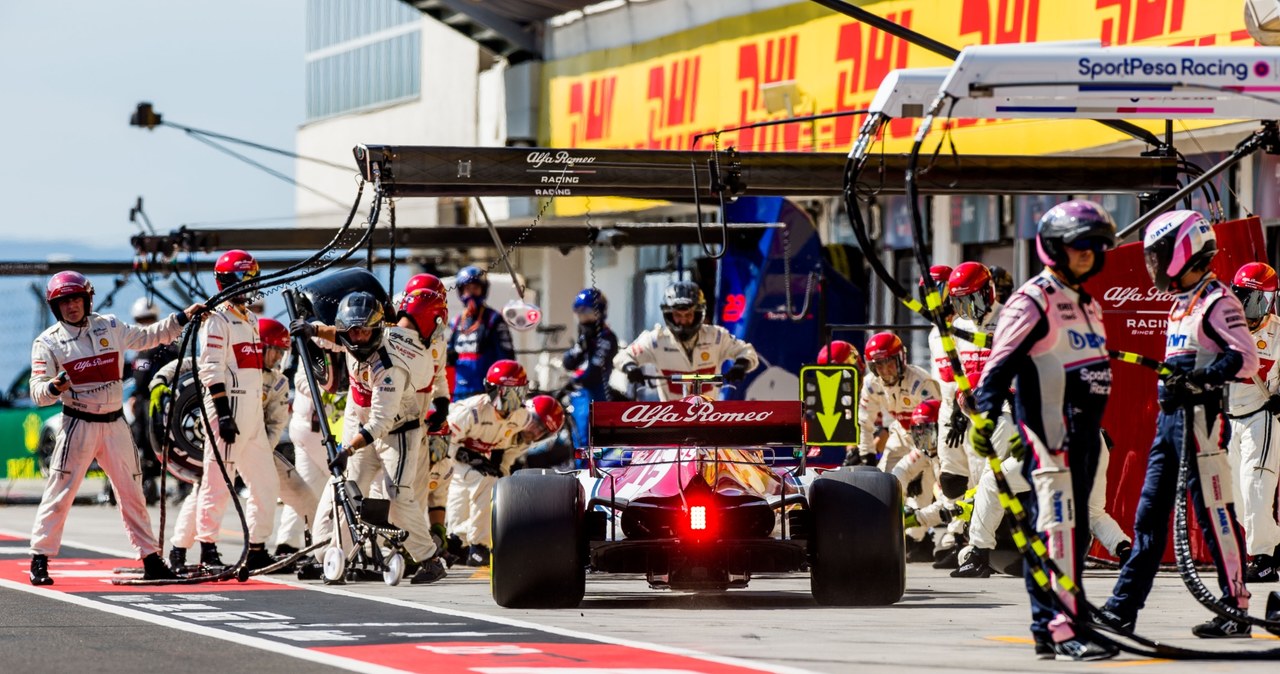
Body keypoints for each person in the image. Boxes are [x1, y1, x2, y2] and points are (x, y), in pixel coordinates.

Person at [971, 200, 1120, 660]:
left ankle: (1053, 625)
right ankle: (1061, 627)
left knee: (1070, 535)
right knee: (1057, 530)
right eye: (1079, 245)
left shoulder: (1087, 302)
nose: (1088, 254)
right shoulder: (1033, 299)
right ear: (1054, 246)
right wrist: (986, 415)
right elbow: (999, 367)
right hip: (1050, 438)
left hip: (1084, 439)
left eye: (1096, 246)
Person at [1102, 210, 1259, 639]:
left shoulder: (1217, 300)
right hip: (1169, 422)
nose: (1153, 265)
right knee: (1148, 517)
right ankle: (1122, 608)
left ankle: (1236, 608)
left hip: (1202, 423)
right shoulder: (1179, 302)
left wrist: (1198, 380)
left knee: (1215, 516)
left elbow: (1245, 359)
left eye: (1158, 255)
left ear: (1184, 252)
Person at [28, 271, 202, 584]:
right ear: (56, 307)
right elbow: (37, 391)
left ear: (87, 299)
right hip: (77, 424)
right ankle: (40, 559)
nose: (72, 306)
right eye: (64, 301)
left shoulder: (109, 325)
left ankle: (150, 558)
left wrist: (181, 317)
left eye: (76, 299)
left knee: (132, 491)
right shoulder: (47, 343)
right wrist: (54, 387)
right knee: (60, 492)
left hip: (115, 423)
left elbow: (149, 336)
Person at [295, 290, 449, 585]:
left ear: (378, 330)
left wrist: (348, 449)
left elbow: (381, 422)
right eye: (354, 330)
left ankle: (430, 558)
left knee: (398, 494)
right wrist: (310, 328)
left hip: (398, 430)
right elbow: (338, 336)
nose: (358, 338)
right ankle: (330, 552)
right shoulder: (352, 338)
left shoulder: (390, 367)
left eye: (365, 332)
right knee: (345, 490)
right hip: (363, 424)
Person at [191, 250, 279, 571]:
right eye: (246, 279)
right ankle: (207, 550)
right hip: (227, 410)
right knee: (217, 482)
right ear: (227, 281)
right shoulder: (216, 319)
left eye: (253, 279)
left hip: (253, 411)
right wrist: (223, 413)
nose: (251, 285)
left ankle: (256, 547)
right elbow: (210, 369)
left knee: (266, 484)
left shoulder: (251, 318)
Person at [954, 429, 1132, 579]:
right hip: (1094, 439)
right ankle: (1124, 550)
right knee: (1093, 512)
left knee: (992, 482)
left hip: (1054, 436)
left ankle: (979, 554)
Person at [445, 359, 533, 567]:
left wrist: (502, 471)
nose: (516, 401)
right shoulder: (470, 411)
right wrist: (468, 457)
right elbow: (444, 443)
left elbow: (506, 448)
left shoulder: (521, 416)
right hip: (454, 464)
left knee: (494, 484)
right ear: (493, 391)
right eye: (510, 394)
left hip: (482, 465)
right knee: (482, 484)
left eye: (520, 393)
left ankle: (472, 543)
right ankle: (472, 544)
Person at [614, 281, 758, 401]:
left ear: (698, 314)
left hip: (710, 416)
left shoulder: (716, 337)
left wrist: (741, 365)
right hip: (671, 419)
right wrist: (631, 368)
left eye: (688, 314)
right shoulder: (656, 340)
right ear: (669, 314)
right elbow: (622, 357)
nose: (683, 320)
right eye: (677, 315)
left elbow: (747, 351)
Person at [1227, 262, 1280, 583]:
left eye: (1258, 300)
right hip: (1230, 419)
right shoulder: (1223, 329)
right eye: (1244, 298)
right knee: (1236, 499)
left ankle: (1262, 558)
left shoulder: (1278, 331)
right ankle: (1274, 547)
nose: (1250, 308)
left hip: (1264, 417)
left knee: (1256, 486)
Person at [856, 333, 940, 470]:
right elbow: (865, 422)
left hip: (929, 438)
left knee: (932, 485)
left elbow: (936, 424)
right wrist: (867, 455)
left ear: (900, 359)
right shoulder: (871, 384)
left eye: (889, 363)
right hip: (901, 432)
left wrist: (919, 468)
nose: (885, 370)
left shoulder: (920, 382)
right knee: (885, 478)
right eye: (879, 365)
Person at [127, 297, 175, 505]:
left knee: (168, 443)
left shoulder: (169, 346)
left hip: (162, 401)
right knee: (141, 443)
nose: (144, 323)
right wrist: (134, 396)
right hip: (142, 402)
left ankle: (182, 485)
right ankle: (146, 484)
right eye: (141, 319)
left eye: (149, 319)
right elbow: (137, 377)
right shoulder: (138, 349)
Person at [447, 266, 515, 400]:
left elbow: (506, 357)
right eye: (467, 289)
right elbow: (448, 356)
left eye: (475, 288)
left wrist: (502, 392)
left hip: (486, 393)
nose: (471, 293)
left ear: (483, 290)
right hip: (459, 393)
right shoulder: (456, 322)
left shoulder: (494, 319)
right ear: (461, 291)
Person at [562, 288, 619, 403]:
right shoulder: (584, 336)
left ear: (599, 312)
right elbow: (568, 362)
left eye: (587, 312)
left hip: (597, 394)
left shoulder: (607, 337)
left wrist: (573, 381)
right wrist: (580, 348)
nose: (583, 317)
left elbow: (594, 372)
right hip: (578, 393)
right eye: (579, 313)